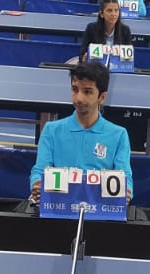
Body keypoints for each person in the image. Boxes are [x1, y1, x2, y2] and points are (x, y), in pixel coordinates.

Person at [28, 62, 133, 202]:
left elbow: (125, 177)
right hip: (59, 206)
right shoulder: (51, 130)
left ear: (102, 97)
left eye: (87, 92)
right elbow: (40, 170)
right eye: (75, 89)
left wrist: (126, 191)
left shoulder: (119, 135)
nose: (79, 98)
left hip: (98, 208)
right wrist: (37, 183)